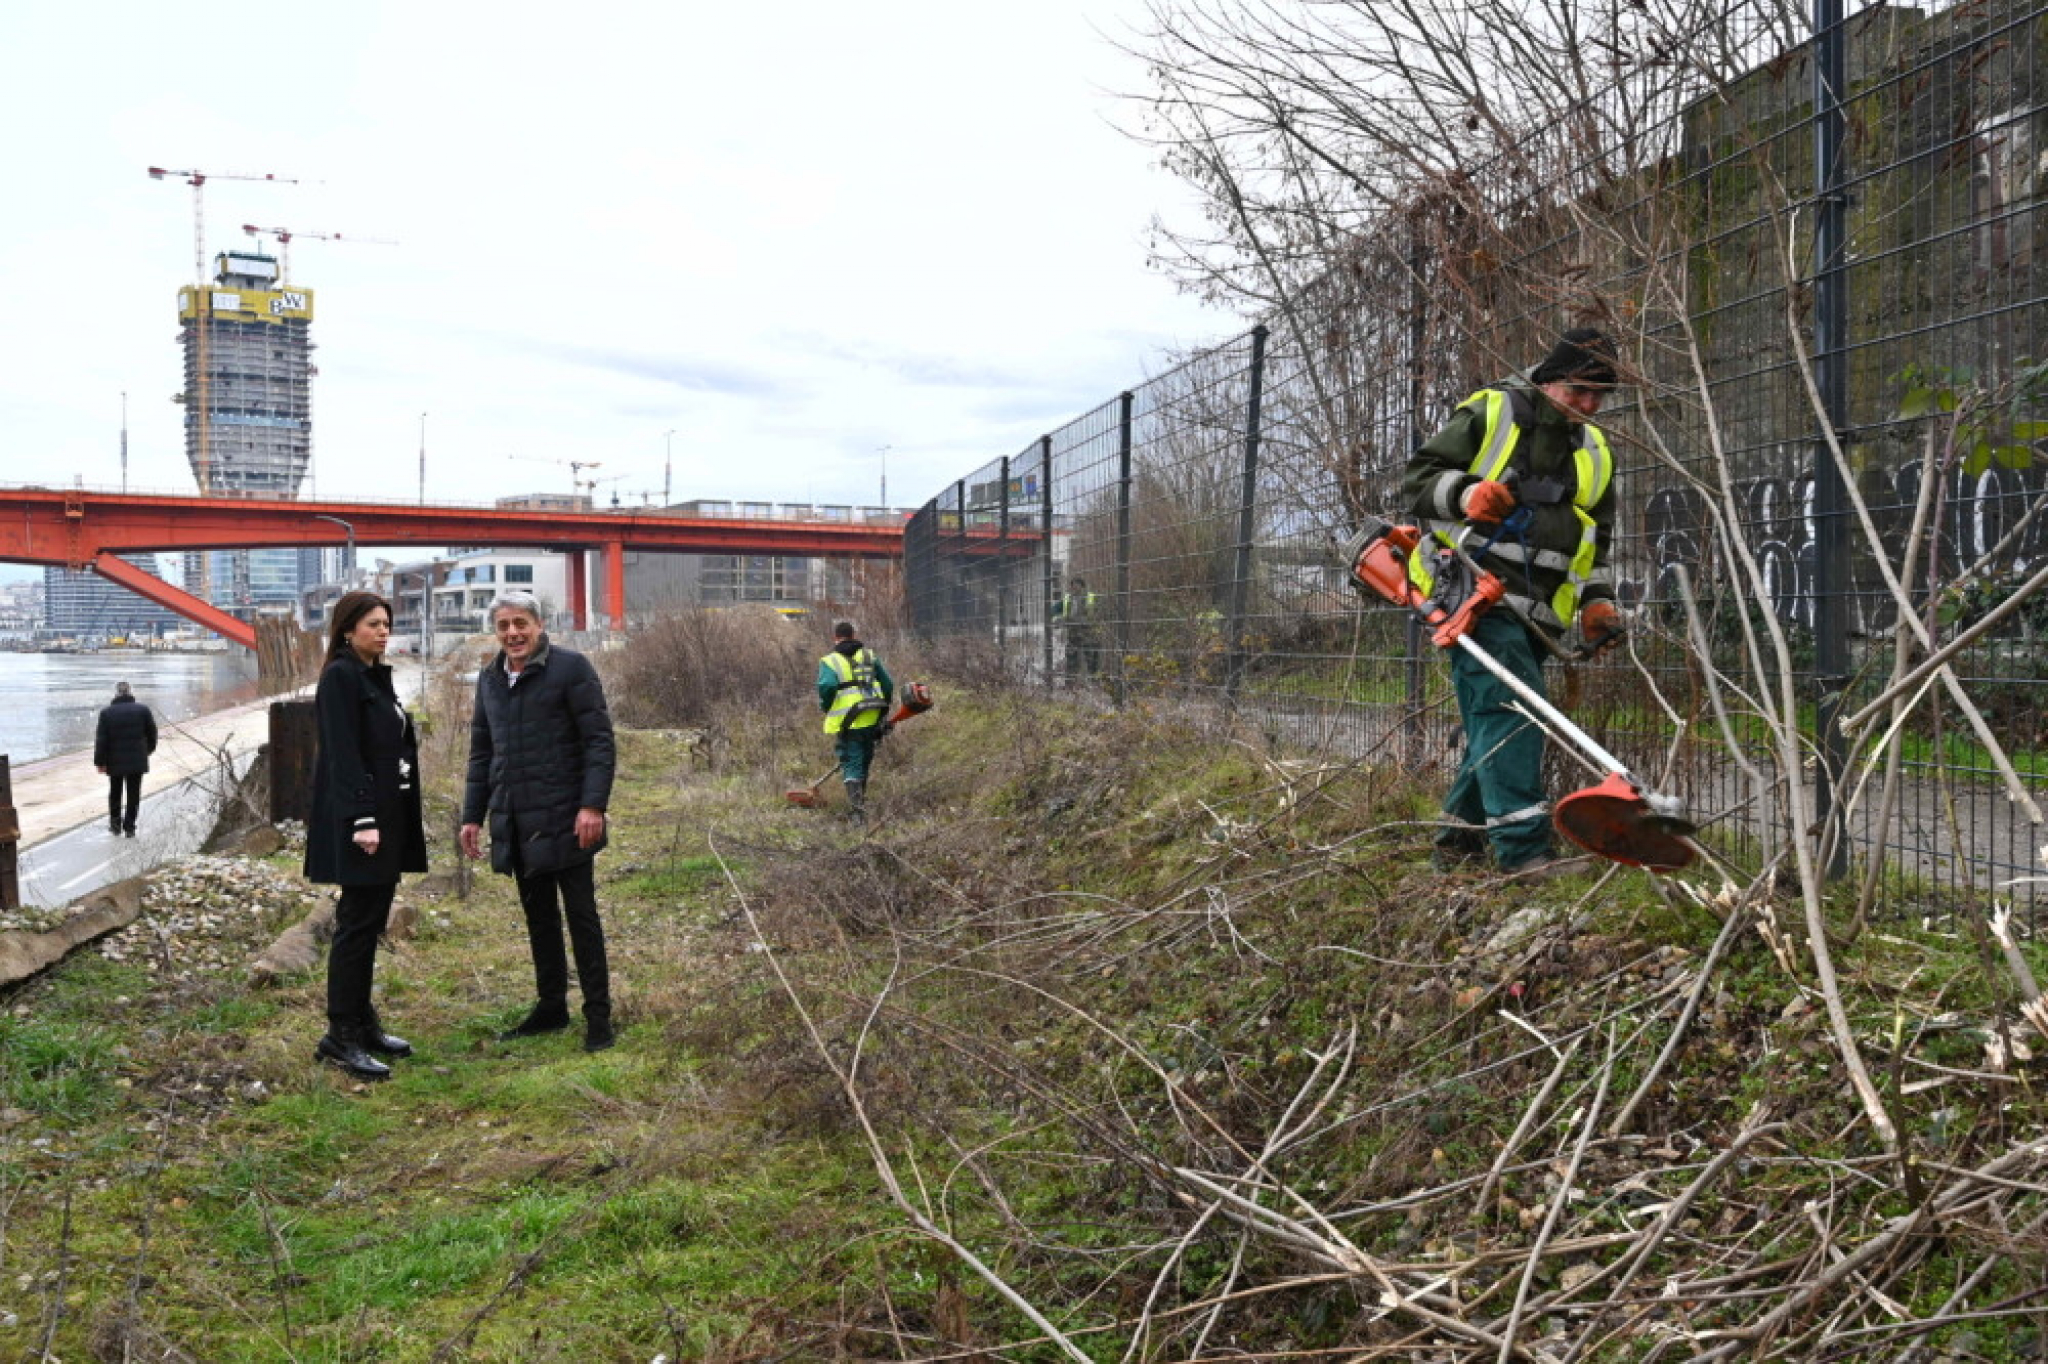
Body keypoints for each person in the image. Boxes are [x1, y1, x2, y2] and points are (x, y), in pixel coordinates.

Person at [1401, 327, 1626, 878]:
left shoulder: (1595, 451)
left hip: (1541, 612)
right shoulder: (1493, 412)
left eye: (1599, 395)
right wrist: (1466, 494)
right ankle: (1524, 855)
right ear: (1548, 380)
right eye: (1578, 391)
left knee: (1496, 718)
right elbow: (1418, 480)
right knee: (1512, 712)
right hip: (1473, 592)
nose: (1589, 405)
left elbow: (1597, 540)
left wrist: (1597, 602)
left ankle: (1459, 846)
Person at [459, 590, 618, 1052]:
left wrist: (593, 806)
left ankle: (598, 1017)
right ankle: (551, 1007)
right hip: (516, 818)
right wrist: (473, 816)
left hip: (568, 817)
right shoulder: (490, 678)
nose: (513, 633)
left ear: (539, 626)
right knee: (539, 918)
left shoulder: (571, 668)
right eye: (504, 625)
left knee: (582, 918)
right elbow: (482, 753)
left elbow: (599, 742)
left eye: (521, 624)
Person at [304, 591, 426, 1081]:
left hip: (385, 814)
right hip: (363, 821)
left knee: (370, 920)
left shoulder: (373, 675)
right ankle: (340, 1036)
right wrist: (362, 819)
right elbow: (343, 753)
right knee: (356, 925)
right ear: (348, 629)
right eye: (373, 624)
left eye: (386, 623)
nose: (383, 631)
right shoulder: (341, 676)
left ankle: (363, 1023)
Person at [816, 620, 894, 824]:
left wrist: (827, 706)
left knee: (851, 762)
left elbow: (827, 686)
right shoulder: (869, 655)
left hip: (849, 719)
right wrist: (883, 708)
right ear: (854, 635)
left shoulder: (829, 661)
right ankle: (861, 801)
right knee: (865, 756)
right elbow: (888, 684)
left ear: (835, 637)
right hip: (872, 714)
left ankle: (858, 813)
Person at [93, 680, 157, 837]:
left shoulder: (106, 713)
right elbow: (152, 734)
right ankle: (130, 827)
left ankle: (115, 825)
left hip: (114, 760)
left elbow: (101, 740)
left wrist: (100, 762)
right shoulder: (143, 710)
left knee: (115, 791)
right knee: (133, 793)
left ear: (116, 694)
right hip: (137, 759)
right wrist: (147, 751)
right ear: (130, 692)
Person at [1055, 577, 1103, 682]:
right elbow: (1059, 612)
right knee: (1071, 660)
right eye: (1072, 585)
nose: (1074, 587)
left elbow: (1094, 617)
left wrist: (1073, 620)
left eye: (1077, 585)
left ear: (1082, 586)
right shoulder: (1068, 599)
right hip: (1073, 635)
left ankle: (1094, 683)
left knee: (1091, 660)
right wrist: (1058, 621)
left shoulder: (1090, 598)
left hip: (1088, 635)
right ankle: (1070, 683)